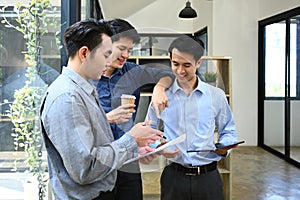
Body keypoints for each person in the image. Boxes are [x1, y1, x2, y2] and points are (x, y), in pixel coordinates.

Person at [40, 19, 163, 200]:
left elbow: (97, 145)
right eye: (106, 55)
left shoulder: (83, 91)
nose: (109, 62)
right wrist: (132, 139)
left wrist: (133, 149)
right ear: (84, 53)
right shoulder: (67, 98)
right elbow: (86, 168)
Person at [145, 35, 238, 200]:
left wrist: (224, 147)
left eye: (187, 65)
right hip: (174, 177)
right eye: (175, 64)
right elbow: (149, 131)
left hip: (208, 177)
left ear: (199, 62)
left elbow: (228, 130)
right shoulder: (161, 96)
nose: (180, 71)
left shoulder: (216, 96)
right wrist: (159, 146)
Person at [92, 18, 174, 200]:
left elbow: (167, 74)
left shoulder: (132, 71)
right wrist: (108, 117)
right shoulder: (87, 76)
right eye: (122, 48)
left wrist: (159, 88)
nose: (126, 55)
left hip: (128, 161)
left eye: (130, 50)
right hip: (98, 163)